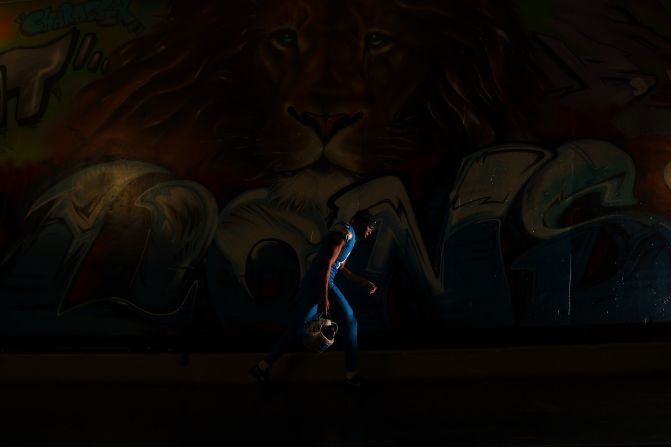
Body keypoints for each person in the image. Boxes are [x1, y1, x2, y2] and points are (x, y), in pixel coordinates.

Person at [250, 209, 378, 387]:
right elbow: (327, 265)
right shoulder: (345, 232)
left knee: (296, 329)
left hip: (316, 283)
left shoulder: (352, 238)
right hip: (322, 281)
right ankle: (352, 374)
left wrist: (361, 281)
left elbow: (339, 267)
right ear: (361, 222)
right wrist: (324, 296)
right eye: (369, 228)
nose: (370, 232)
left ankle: (262, 367)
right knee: (350, 321)